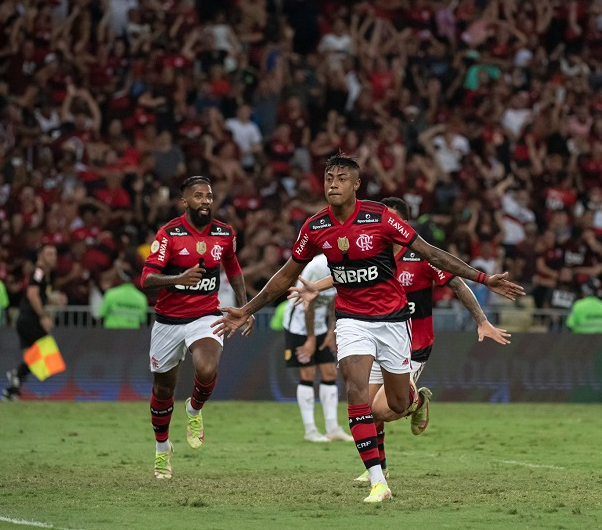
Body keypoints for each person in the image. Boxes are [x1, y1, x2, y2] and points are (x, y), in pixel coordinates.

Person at [212, 154, 525, 503]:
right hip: (351, 320)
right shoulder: (315, 227)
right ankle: (379, 481)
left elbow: (431, 253)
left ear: (356, 184)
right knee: (356, 392)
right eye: (329, 177)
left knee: (393, 403)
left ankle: (415, 399)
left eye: (342, 177)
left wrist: (484, 278)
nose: (333, 183)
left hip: (392, 322)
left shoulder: (381, 218)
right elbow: (286, 273)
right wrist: (246, 309)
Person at [291, 196, 512, 482]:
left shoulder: (420, 257)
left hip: (413, 344)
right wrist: (318, 289)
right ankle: (378, 469)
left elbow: (456, 282)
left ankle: (417, 402)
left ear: (402, 224)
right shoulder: (371, 250)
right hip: (373, 331)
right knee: (366, 406)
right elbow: (349, 276)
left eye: (390, 217)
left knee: (381, 408)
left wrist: (481, 320)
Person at [141, 176, 253, 480]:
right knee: (163, 388)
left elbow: (234, 268)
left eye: (209, 196)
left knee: (206, 368)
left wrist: (245, 307)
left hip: (205, 315)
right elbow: (147, 280)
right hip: (168, 321)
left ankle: (193, 409)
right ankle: (162, 450)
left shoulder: (225, 233)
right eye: (198, 196)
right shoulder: (169, 234)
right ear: (185, 201)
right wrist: (176, 279)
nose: (205, 201)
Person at [282, 253, 352, 443]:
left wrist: (331, 332)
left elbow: (336, 301)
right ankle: (310, 430)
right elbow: (308, 304)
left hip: (322, 323)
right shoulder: (316, 267)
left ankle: (333, 428)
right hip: (298, 324)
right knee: (308, 374)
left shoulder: (349, 261)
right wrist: (311, 339)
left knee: (330, 372)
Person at [3, 244, 59, 401]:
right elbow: (32, 295)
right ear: (40, 256)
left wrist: (54, 302)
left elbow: (38, 296)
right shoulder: (39, 272)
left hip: (24, 319)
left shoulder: (43, 274)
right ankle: (16, 374)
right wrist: (43, 317)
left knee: (31, 357)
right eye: (49, 254)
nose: (53, 257)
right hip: (30, 320)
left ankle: (11, 391)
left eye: (54, 254)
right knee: (45, 353)